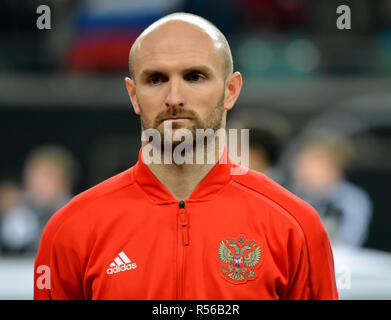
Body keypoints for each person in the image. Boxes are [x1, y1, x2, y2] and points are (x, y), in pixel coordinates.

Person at [34, 13, 338, 300]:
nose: (174, 98)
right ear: (133, 95)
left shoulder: (296, 227)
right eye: (155, 79)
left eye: (194, 77)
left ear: (231, 90)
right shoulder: (70, 230)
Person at [289, 133, 373, 248]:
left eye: (313, 161)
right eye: (301, 161)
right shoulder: (290, 193)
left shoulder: (353, 200)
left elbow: (348, 244)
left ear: (334, 166)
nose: (302, 167)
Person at [0, 145, 78, 253]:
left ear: (63, 182)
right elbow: (13, 240)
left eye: (45, 176)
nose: (36, 183)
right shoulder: (18, 211)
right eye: (32, 176)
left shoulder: (78, 214)